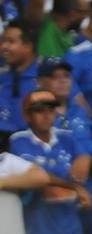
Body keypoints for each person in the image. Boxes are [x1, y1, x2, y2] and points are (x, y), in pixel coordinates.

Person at [7, 88, 92, 234]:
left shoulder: (68, 137)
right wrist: (74, 187)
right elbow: (38, 178)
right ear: (27, 116)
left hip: (73, 232)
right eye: (39, 110)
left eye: (51, 109)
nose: (46, 115)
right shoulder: (17, 141)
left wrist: (85, 158)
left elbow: (83, 165)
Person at [0, 20, 40, 150]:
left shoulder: (46, 77)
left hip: (34, 147)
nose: (3, 47)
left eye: (10, 42)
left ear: (28, 46)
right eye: (3, 41)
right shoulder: (2, 76)